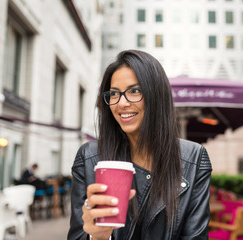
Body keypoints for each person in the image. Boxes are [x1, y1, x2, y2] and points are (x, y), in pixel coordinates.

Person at [67, 50, 212, 240]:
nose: (122, 103)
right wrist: (98, 237)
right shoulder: (89, 158)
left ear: (157, 96)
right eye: (113, 94)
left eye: (134, 91)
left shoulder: (194, 157)